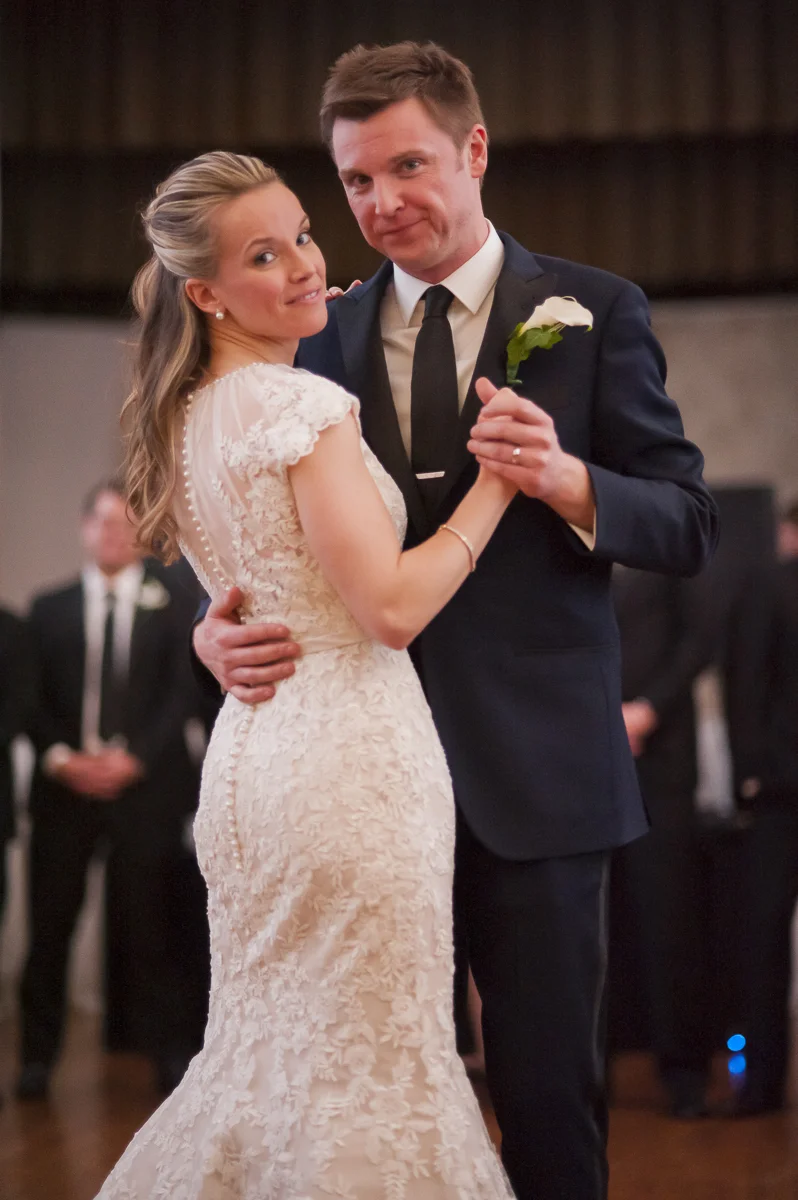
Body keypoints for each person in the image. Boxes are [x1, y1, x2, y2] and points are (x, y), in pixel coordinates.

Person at [192, 43, 719, 1200]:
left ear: (475, 150)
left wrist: (571, 481)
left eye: (409, 167)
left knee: (548, 1102)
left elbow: (686, 521)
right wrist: (211, 628)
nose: (383, 204)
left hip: (538, 782)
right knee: (366, 1109)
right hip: (357, 792)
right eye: (358, 182)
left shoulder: (593, 312)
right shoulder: (308, 336)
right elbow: (258, 532)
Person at [96, 151, 518, 1199]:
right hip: (349, 764)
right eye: (262, 254)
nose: (301, 267)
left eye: (301, 236)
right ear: (204, 291)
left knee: (268, 1054)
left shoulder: (189, 410)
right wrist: (496, 489)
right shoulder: (300, 409)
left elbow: (252, 580)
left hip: (256, 762)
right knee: (371, 1063)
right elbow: (388, 609)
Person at [18, 480, 204, 1101]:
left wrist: (135, 761)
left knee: (154, 931)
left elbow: (182, 696)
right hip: (65, 796)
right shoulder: (48, 610)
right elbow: (30, 701)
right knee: (50, 930)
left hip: (146, 794)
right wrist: (63, 758)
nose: (114, 534)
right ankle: (35, 1062)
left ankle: (166, 1062)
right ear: (85, 527)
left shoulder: (175, 606)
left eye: (126, 524)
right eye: (103, 522)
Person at [609, 567, 714, 1118]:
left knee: (671, 920)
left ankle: (685, 1074)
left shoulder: (667, 538)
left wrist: (648, 710)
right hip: (586, 764)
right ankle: (594, 1075)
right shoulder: (555, 530)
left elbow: (701, 635)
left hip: (663, 763)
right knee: (594, 926)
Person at [725, 500, 798, 1116]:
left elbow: (743, 685)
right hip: (777, 795)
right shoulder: (770, 586)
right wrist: (748, 777)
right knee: (762, 944)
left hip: (774, 790)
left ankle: (760, 1088)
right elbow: (745, 685)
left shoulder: (767, 583)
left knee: (762, 944)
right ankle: (759, 1084)